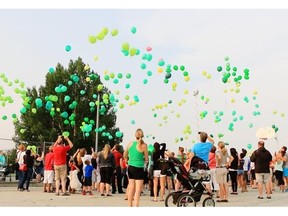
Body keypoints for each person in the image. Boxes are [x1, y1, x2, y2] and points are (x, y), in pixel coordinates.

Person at [123, 128, 148, 207]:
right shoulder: (144, 145)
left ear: (135, 135)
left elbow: (125, 154)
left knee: (131, 187)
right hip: (139, 167)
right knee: (138, 189)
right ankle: (136, 206)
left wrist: (127, 160)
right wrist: (143, 159)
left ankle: (130, 206)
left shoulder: (130, 143)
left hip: (131, 167)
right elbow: (147, 158)